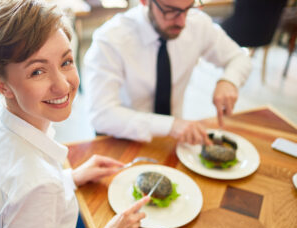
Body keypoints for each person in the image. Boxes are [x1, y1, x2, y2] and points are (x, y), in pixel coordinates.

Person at [0, 0, 150, 228]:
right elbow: (29, 189)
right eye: (37, 72)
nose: (62, 86)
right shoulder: (36, 185)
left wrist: (69, 178)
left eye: (66, 62)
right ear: (2, 85)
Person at [83, 0, 252, 144]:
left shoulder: (197, 23)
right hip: (121, 140)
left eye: (188, 8)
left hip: (173, 139)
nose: (182, 22)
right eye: (171, 11)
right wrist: (170, 125)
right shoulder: (110, 39)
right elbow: (101, 114)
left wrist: (229, 81)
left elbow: (239, 57)